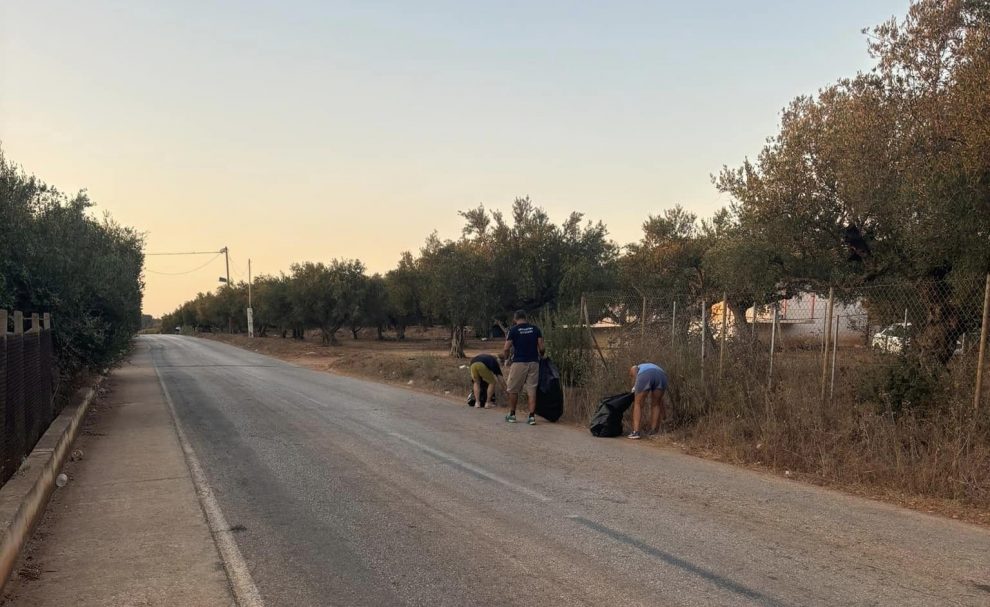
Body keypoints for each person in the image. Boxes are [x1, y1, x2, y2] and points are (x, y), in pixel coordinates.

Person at [502, 310, 544, 425]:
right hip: (534, 362)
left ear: (515, 319)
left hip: (519, 362)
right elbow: (541, 347)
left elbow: (506, 348)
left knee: (513, 389)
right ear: (526, 318)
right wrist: (541, 356)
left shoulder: (514, 330)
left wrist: (506, 359)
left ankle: (512, 414)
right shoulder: (535, 329)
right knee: (532, 389)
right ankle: (531, 417)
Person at [627, 362, 668, 439]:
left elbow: (634, 370)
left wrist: (635, 386)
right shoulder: (650, 366)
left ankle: (636, 432)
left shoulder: (635, 368)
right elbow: (661, 401)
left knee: (638, 403)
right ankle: (653, 431)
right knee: (656, 404)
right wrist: (664, 414)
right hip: (662, 375)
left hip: (646, 375)